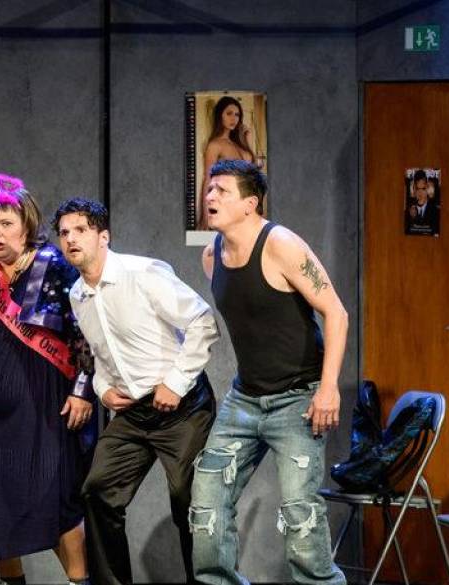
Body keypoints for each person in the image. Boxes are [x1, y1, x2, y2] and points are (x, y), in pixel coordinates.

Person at [191, 159, 348, 585]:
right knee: (206, 504)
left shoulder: (282, 245)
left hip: (298, 398)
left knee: (301, 514)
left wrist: (328, 388)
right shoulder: (212, 256)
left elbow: (336, 312)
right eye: (209, 189)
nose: (210, 196)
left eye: (222, 190)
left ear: (250, 203)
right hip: (244, 399)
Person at [54, 197, 219, 585]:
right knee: (97, 491)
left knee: (188, 501)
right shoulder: (77, 294)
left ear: (103, 236)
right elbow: (98, 354)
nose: (71, 239)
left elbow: (202, 321)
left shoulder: (143, 273)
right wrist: (102, 389)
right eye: (64, 233)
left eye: (80, 230)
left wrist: (174, 383)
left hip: (182, 408)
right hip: (132, 413)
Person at [0, 173, 94, 585]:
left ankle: (79, 581)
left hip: (46, 405)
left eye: (6, 223)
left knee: (58, 500)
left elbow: (87, 334)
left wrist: (82, 391)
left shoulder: (55, 267)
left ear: (26, 225)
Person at [199, 96, 256, 230]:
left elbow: (250, 170)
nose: (234, 118)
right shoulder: (215, 145)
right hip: (227, 205)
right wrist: (206, 215)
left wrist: (246, 139)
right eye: (229, 113)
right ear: (220, 115)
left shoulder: (239, 143)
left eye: (237, 115)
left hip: (244, 204)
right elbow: (207, 179)